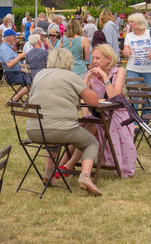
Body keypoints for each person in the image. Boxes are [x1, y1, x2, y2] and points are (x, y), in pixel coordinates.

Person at [24, 48, 104, 196]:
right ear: (70, 62)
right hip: (61, 130)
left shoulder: (39, 75)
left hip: (34, 130)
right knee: (91, 142)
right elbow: (93, 101)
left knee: (54, 138)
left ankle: (48, 173)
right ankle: (85, 176)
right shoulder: (70, 76)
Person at [62, 44, 137, 178]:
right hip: (100, 113)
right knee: (77, 128)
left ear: (108, 59)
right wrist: (87, 78)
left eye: (97, 58)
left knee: (90, 127)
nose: (94, 61)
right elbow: (81, 96)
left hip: (118, 115)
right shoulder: (93, 74)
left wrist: (105, 77)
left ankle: (69, 165)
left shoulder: (119, 71)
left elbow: (115, 96)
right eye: (93, 58)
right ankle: (61, 164)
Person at [122, 12, 151, 86]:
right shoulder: (129, 36)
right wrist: (126, 51)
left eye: (131, 22)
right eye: (129, 22)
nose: (129, 24)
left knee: (149, 95)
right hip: (132, 70)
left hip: (149, 70)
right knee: (134, 94)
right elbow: (125, 51)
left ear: (139, 22)